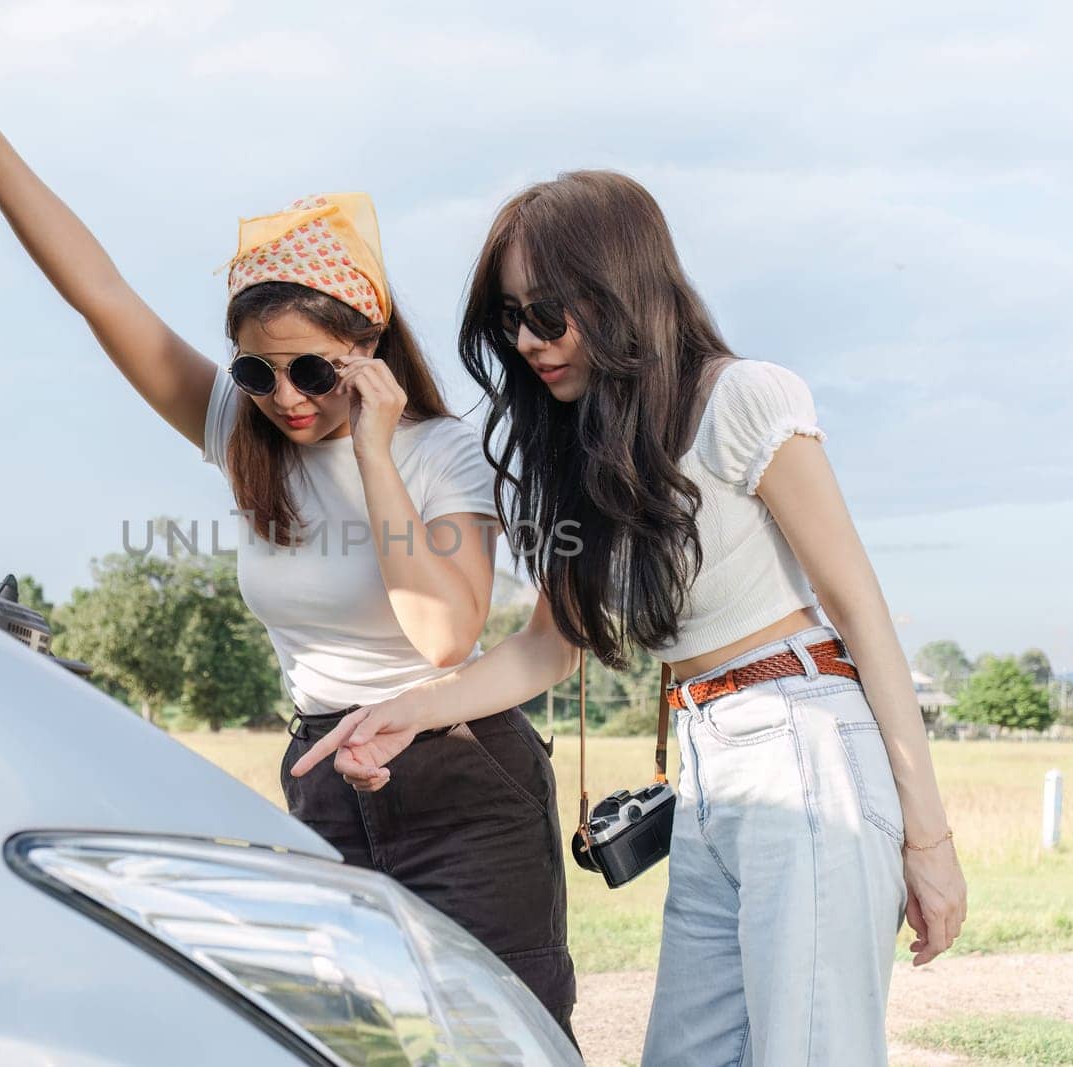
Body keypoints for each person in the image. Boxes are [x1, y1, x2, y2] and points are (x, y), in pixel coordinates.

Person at [0, 43, 578, 1034]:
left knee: (502, 1035)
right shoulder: (245, 434)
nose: (284, 400)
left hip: (459, 772)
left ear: (368, 348)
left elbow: (444, 636)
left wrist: (378, 455)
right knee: (352, 1044)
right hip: (322, 773)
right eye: (256, 374)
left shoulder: (441, 450)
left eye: (311, 371)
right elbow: (101, 294)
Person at [292, 170, 969, 1066]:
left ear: (622, 288)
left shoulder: (742, 399)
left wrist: (930, 837)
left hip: (803, 743)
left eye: (550, 312)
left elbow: (860, 611)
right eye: (510, 318)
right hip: (706, 763)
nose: (529, 342)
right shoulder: (584, 453)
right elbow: (546, 646)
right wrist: (403, 711)